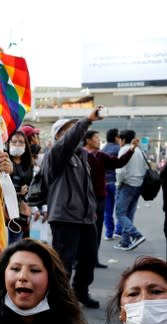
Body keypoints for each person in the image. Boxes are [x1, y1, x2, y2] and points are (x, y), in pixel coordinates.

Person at [42, 107, 104, 308]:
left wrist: (91, 208)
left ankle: (80, 292)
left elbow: (87, 188)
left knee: (89, 259)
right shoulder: (57, 154)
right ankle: (58, 299)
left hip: (85, 217)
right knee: (63, 262)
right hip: (64, 217)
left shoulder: (82, 157)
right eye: (67, 130)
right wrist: (86, 120)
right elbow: (68, 141)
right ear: (59, 136)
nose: (74, 134)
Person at [83, 128, 136, 263]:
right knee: (85, 230)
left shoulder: (101, 155)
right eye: (96, 137)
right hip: (85, 199)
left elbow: (118, 163)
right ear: (88, 140)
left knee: (98, 228)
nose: (98, 140)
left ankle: (94, 259)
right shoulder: (80, 156)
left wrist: (131, 150)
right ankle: (81, 260)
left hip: (101, 196)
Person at [0, 130, 36, 268]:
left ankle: (10, 274)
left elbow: (31, 187)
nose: (17, 144)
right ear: (8, 144)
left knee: (15, 247)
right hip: (0, 210)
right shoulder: (1, 161)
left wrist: (25, 193)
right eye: (14, 141)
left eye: (21, 142)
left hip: (18, 212)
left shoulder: (29, 165)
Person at [114, 129, 148, 251]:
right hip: (138, 185)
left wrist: (119, 183)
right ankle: (125, 241)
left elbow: (120, 170)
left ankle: (136, 235)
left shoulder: (124, 150)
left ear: (122, 139)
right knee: (129, 214)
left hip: (127, 185)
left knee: (120, 213)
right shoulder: (139, 150)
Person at [101, 129, 124, 240]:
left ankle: (108, 233)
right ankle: (118, 231)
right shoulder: (119, 149)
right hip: (116, 182)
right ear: (116, 137)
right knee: (120, 209)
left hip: (105, 182)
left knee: (107, 210)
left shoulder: (103, 149)